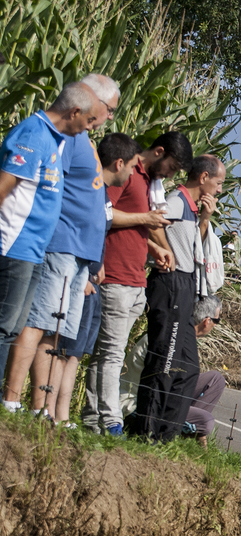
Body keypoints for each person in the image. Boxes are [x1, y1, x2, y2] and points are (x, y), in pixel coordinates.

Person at [4, 75, 118, 419]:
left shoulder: (75, 136)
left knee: (55, 333)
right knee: (33, 324)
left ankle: (46, 409)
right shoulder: (62, 135)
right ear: (86, 103)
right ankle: (13, 399)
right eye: (107, 109)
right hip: (49, 244)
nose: (106, 118)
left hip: (71, 250)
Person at [79, 131, 190, 435]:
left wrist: (155, 249)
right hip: (114, 276)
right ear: (159, 151)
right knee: (112, 353)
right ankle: (112, 420)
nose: (170, 174)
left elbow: (134, 228)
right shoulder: (127, 171)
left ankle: (93, 421)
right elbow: (103, 213)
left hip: (134, 278)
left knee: (108, 354)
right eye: (172, 167)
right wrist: (145, 219)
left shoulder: (148, 183)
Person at [40, 131, 138, 427]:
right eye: (132, 166)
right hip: (81, 276)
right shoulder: (94, 191)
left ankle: (61, 414)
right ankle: (44, 407)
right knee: (58, 344)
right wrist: (85, 273)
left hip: (93, 280)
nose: (133, 172)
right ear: (119, 163)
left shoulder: (101, 195)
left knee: (75, 352)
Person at [130, 153, 223, 442]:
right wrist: (159, 252)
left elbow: (195, 245)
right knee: (165, 361)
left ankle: (166, 435)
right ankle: (147, 431)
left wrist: (205, 218)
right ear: (203, 178)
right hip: (169, 284)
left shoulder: (194, 210)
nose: (220, 189)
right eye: (219, 182)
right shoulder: (176, 201)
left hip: (186, 289)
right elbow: (147, 225)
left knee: (189, 368)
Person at [118, 295, 225, 446]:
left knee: (216, 380)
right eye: (216, 321)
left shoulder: (182, 333)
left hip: (161, 395)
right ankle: (177, 429)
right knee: (205, 421)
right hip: (137, 405)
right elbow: (163, 383)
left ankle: (180, 427)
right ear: (206, 321)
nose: (215, 325)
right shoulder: (173, 338)